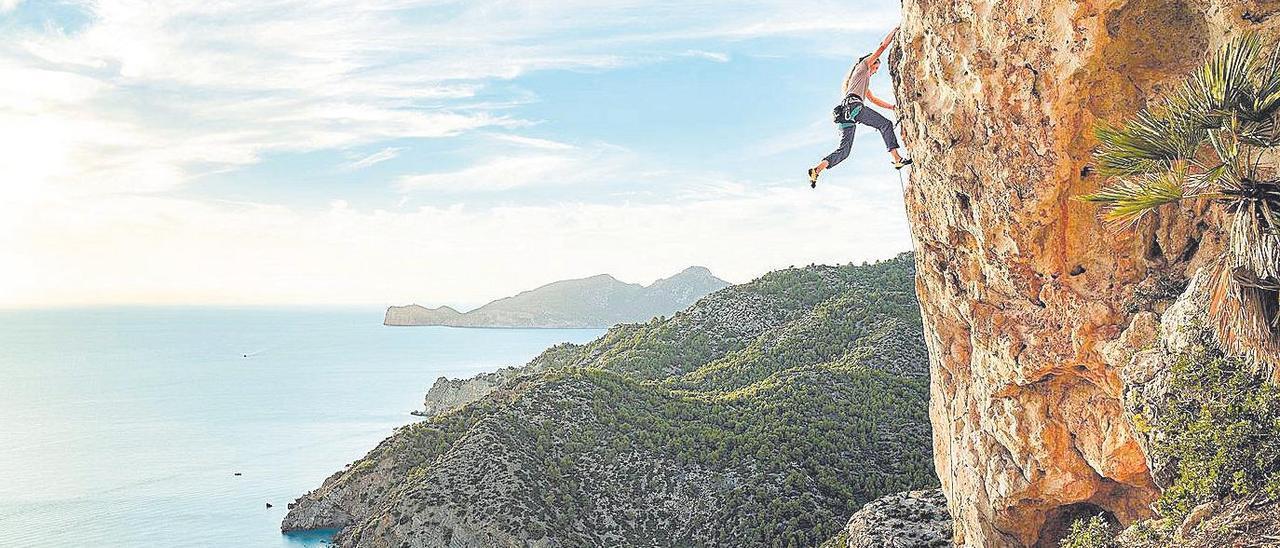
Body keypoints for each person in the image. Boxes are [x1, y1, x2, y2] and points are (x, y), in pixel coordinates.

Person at [808, 27, 910, 188]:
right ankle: (897, 159)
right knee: (885, 125)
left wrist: (892, 107)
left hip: (846, 114)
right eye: (876, 68)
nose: (875, 72)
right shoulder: (863, 66)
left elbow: (873, 99)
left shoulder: (859, 82)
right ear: (871, 62)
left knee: (845, 150)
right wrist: (895, 31)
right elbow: (882, 47)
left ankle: (817, 169)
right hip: (854, 108)